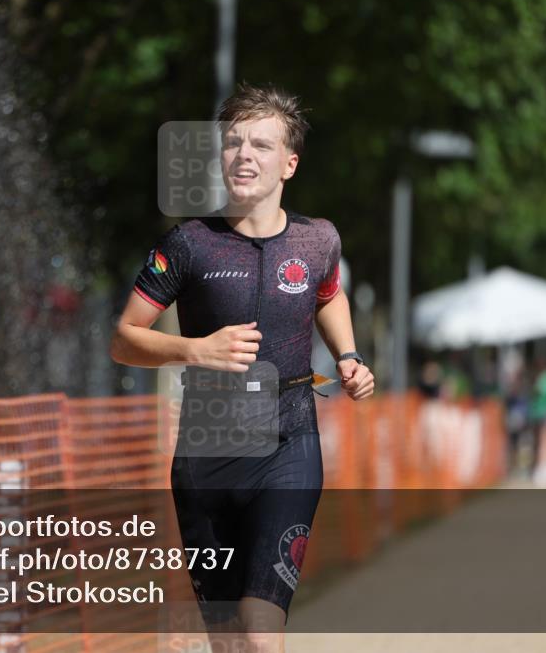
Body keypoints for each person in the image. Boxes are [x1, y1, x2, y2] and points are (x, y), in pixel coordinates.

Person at [110, 82, 374, 652]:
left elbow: (329, 293)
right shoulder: (189, 245)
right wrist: (195, 350)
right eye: (233, 143)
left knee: (259, 630)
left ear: (289, 164)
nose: (244, 155)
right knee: (229, 641)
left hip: (289, 444)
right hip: (205, 457)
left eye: (260, 144)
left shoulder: (317, 240)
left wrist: (348, 355)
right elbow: (124, 339)